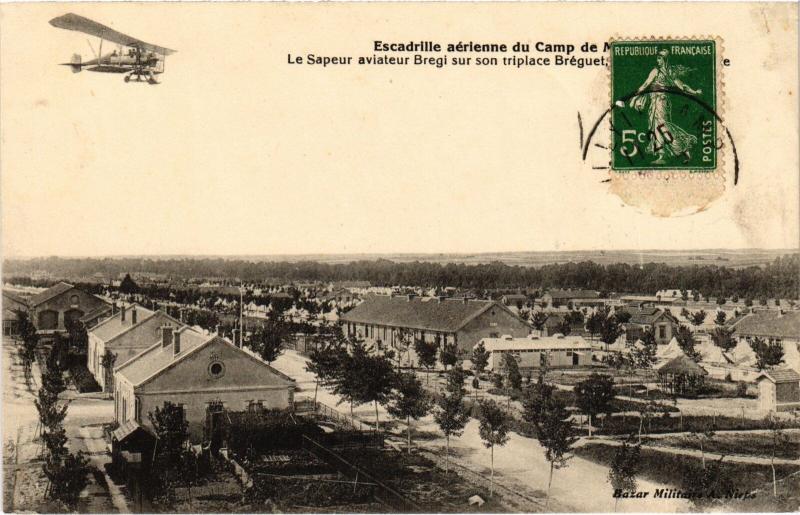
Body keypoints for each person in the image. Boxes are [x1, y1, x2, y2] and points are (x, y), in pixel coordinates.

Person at [629, 49, 703, 164]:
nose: (657, 60)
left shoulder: (669, 72)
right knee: (657, 127)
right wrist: (635, 97)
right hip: (655, 102)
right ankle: (666, 154)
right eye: (657, 58)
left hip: (662, 102)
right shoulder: (656, 71)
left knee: (663, 127)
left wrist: (694, 91)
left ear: (665, 59)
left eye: (660, 58)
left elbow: (682, 86)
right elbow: (645, 85)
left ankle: (674, 151)